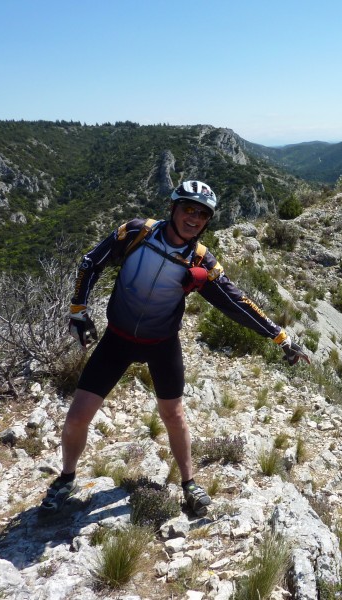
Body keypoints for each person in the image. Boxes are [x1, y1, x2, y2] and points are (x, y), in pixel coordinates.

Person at [40, 180, 310, 518]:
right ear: (173, 208)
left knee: (174, 415)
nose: (194, 218)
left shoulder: (202, 264)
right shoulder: (136, 232)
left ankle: (189, 483)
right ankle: (66, 479)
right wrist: (78, 310)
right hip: (118, 339)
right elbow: (91, 262)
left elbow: (236, 303)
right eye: (188, 209)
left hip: (161, 343)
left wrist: (280, 338)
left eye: (202, 214)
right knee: (77, 417)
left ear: (208, 221)